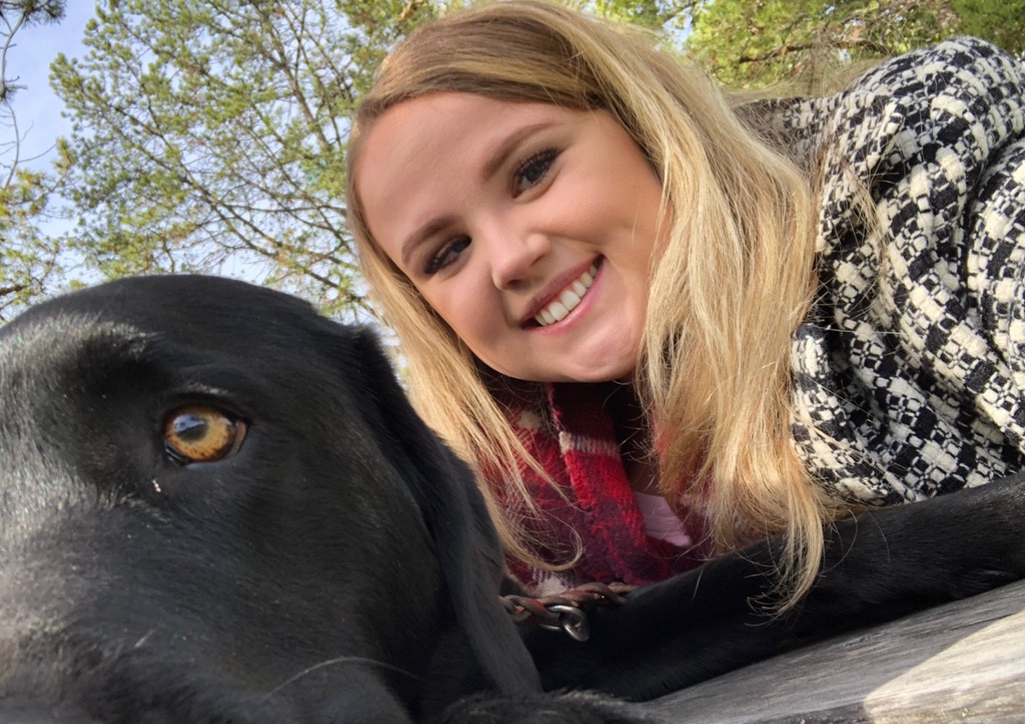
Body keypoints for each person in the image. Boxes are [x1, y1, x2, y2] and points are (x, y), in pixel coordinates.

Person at [345, 0, 1025, 606]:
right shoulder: (496, 524)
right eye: (447, 252)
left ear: (641, 125)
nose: (509, 257)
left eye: (532, 169)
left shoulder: (913, 201)